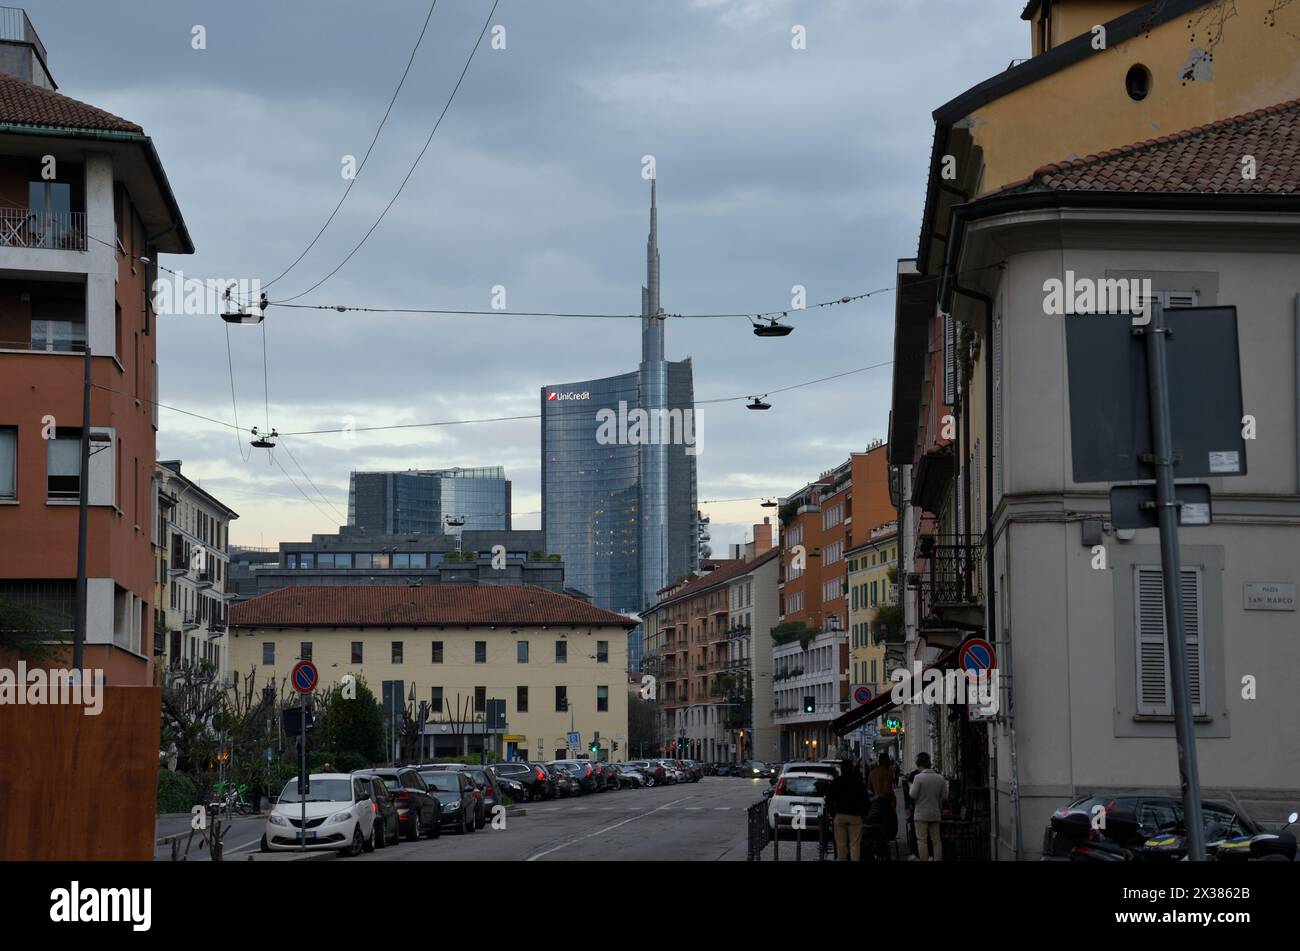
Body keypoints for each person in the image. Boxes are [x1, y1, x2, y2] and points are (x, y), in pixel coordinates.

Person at [824, 757, 869, 861]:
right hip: (855, 816)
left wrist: (833, 813)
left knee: (840, 846)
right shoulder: (858, 782)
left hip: (840, 816)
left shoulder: (837, 781)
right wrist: (863, 814)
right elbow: (866, 800)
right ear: (852, 769)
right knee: (855, 845)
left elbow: (829, 799)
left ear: (842, 769)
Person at [909, 752, 948, 861]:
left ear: (919, 764)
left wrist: (910, 787)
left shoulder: (918, 778)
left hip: (921, 814)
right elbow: (944, 796)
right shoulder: (940, 778)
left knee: (922, 840)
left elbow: (913, 795)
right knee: (936, 841)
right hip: (935, 812)